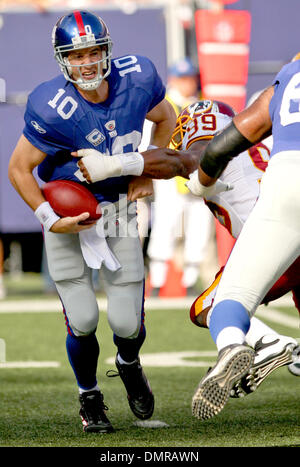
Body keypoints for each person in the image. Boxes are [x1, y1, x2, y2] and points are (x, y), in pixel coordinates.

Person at [8, 10, 182, 434]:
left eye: (93, 52)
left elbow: (167, 118)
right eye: (76, 55)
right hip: (72, 216)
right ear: (61, 59)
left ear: (107, 51)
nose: (86, 62)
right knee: (83, 319)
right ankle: (89, 396)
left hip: (119, 207)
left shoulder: (137, 78)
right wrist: (49, 218)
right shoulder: (51, 106)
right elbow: (18, 168)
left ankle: (128, 362)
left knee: (127, 323)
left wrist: (144, 172)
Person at [186, 59, 300, 420]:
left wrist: (120, 166)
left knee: (216, 302)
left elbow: (213, 151)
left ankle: (255, 343)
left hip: (284, 198)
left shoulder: (287, 77)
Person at [147, 58, 213, 296]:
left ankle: (190, 279)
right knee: (165, 224)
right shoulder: (164, 103)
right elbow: (151, 141)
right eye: (183, 79)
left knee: (199, 225)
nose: (188, 84)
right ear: (174, 79)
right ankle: (157, 279)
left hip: (198, 172)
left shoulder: (203, 104)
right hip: (169, 174)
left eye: (190, 78)